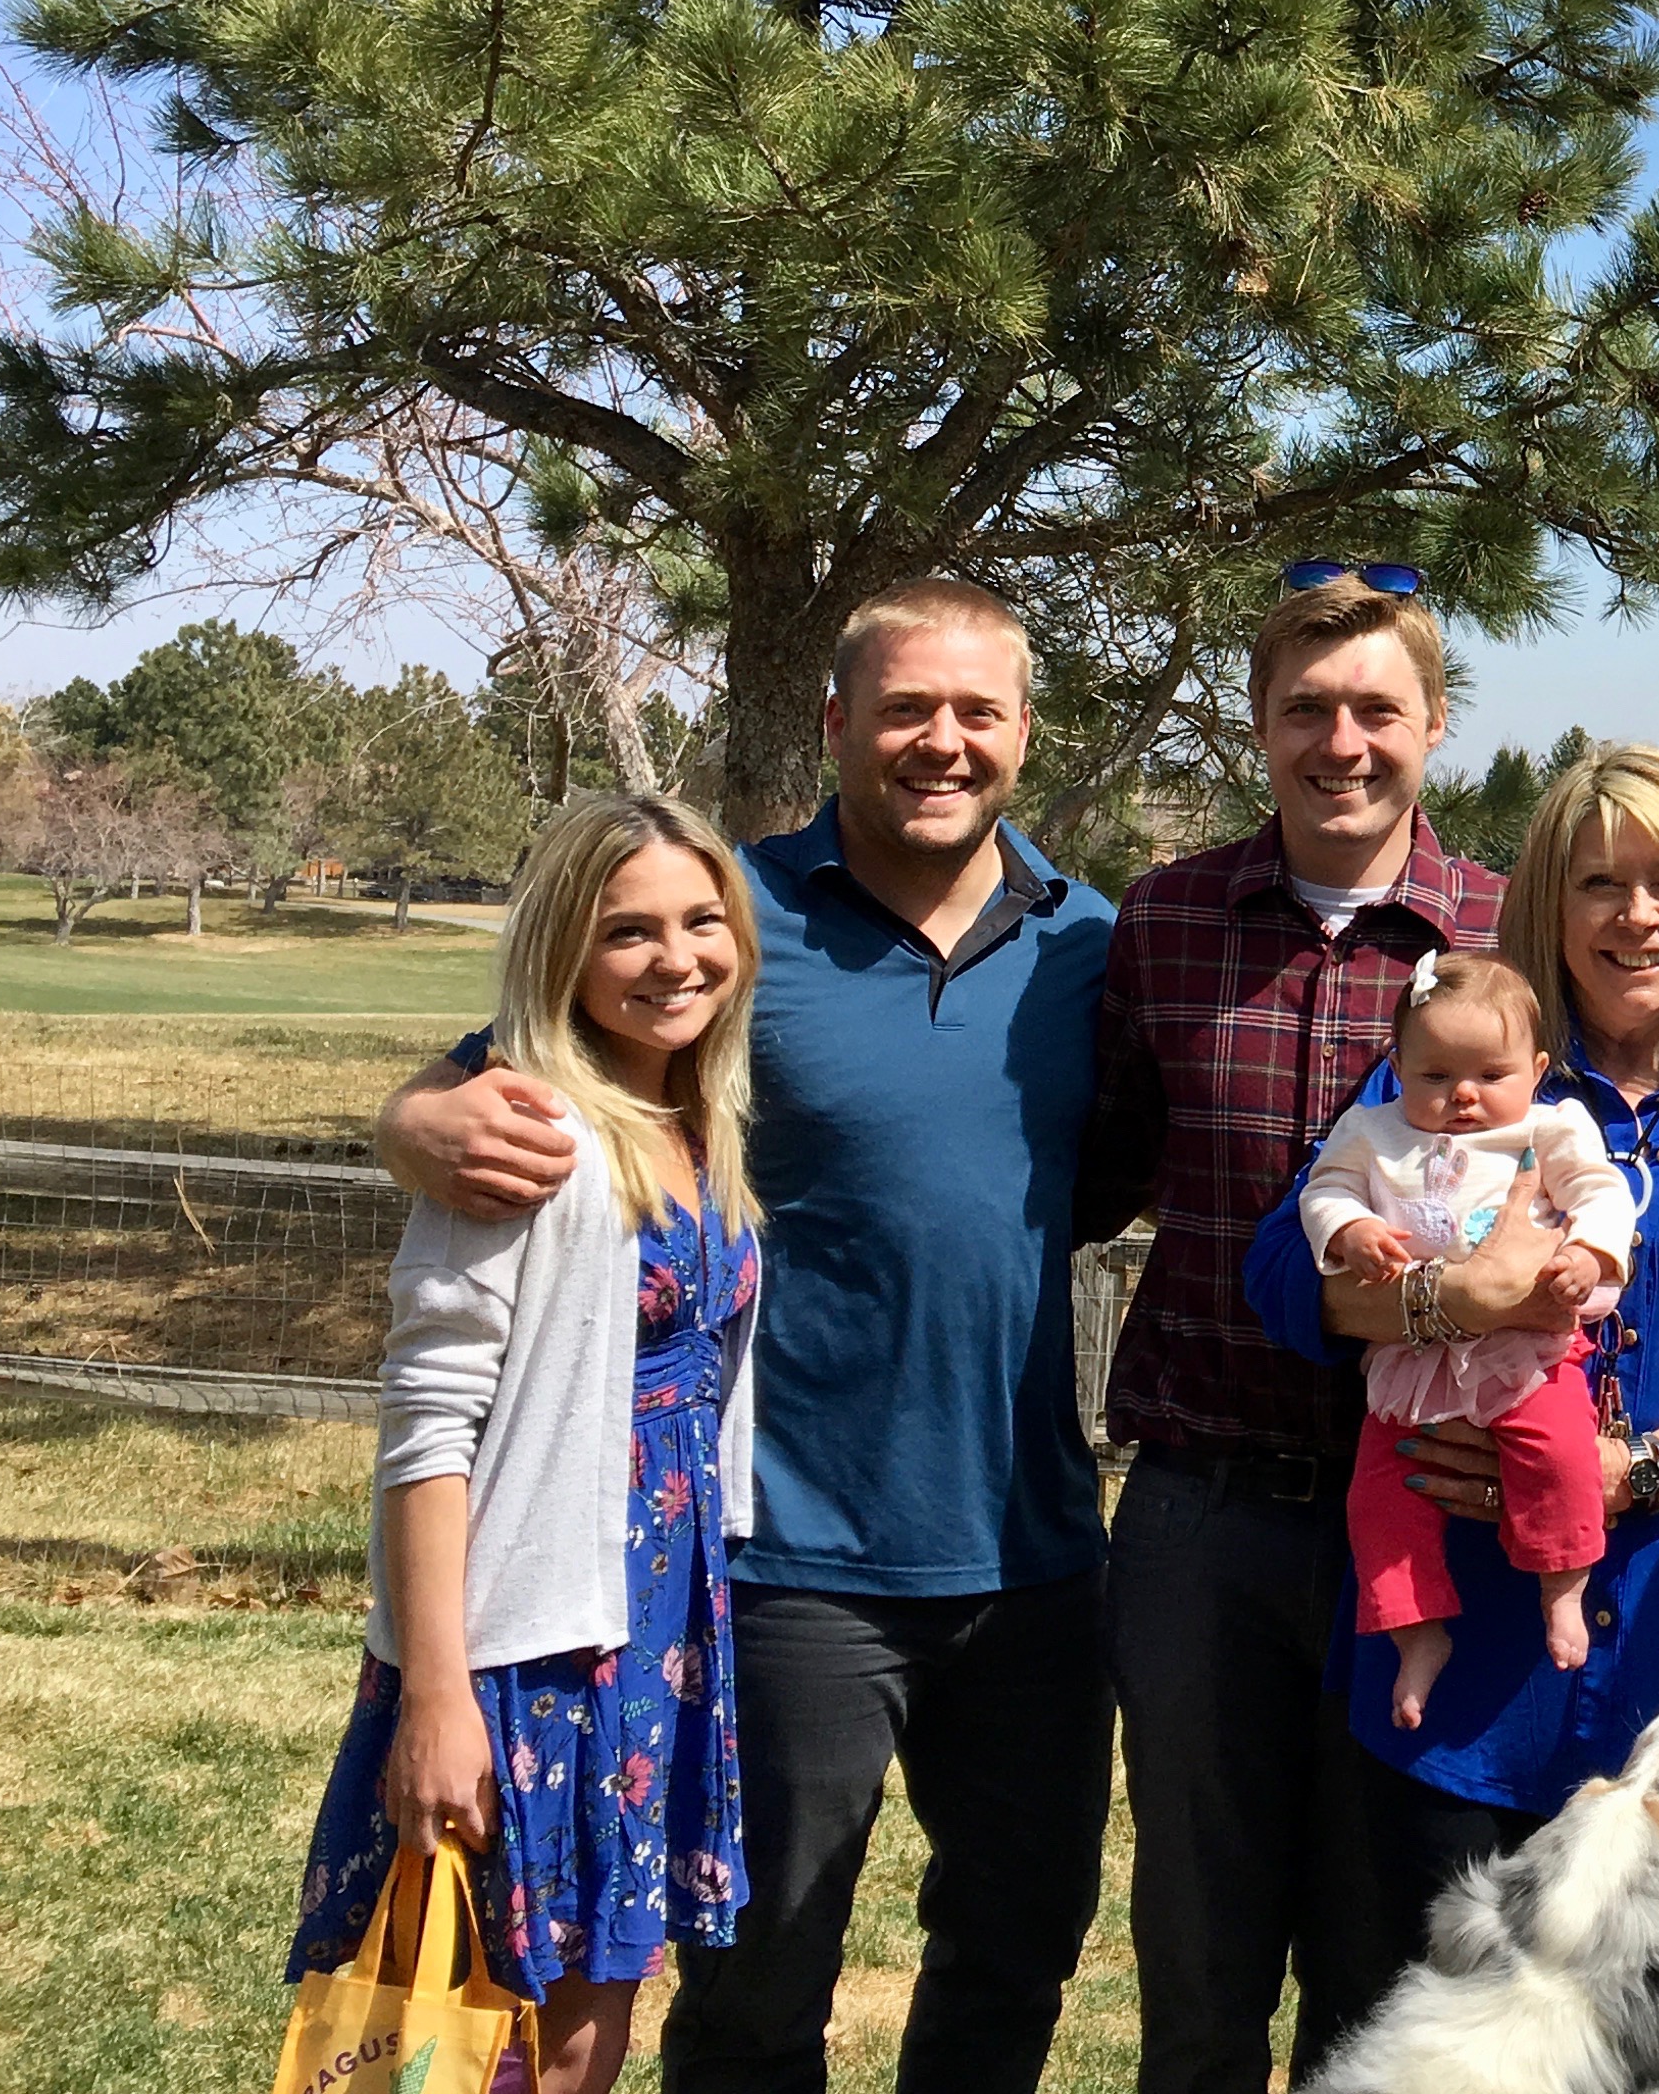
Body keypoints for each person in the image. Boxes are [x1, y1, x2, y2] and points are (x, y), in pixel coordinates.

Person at [372, 578, 1120, 2093]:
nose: (942, 740)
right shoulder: (732, 917)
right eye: (904, 708)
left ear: (1024, 733)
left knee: (1018, 1948)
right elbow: (519, 1067)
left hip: (1033, 1554)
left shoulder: (1094, 945)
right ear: (836, 721)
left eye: (977, 710)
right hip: (783, 1560)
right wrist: (409, 1118)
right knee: (757, 1973)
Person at [1245, 741, 1659, 1932]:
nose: (1639, 916)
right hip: (1459, 1669)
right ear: (1549, 904)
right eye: (1599, 884)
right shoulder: (1468, 1069)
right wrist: (1450, 1301)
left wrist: (1629, 1473)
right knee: (1450, 2019)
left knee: (1635, 2020)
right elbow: (1282, 1276)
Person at [1081, 565, 1505, 2092]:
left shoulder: (1506, 935)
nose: (1344, 741)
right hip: (1204, 1515)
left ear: (1435, 723)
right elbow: (1091, 1168)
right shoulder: (1166, 920)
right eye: (1307, 708)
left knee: (1384, 1971)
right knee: (1199, 1967)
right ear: (1258, 722)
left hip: (1433, 1518)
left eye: (1378, 708)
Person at [291, 791, 767, 2094]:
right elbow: (426, 1429)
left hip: (653, 1624)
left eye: (702, 920)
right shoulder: (520, 1133)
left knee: (590, 2019)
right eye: (627, 931)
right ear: (564, 949)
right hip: (525, 1648)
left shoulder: (696, 1121)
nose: (676, 958)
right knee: (468, 2031)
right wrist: (436, 1697)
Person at [1302, 949, 1639, 1726]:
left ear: (1537, 1069)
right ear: (1397, 1068)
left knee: (1561, 1453)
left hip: (1525, 1355)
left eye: (1491, 1074)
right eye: (1435, 1074)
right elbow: (1325, 1189)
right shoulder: (1372, 1130)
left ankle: (1563, 1584)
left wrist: (1588, 1253)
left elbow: (1602, 1193)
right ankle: (1415, 1631)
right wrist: (1349, 1229)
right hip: (1415, 1362)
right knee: (1379, 1498)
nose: (1463, 1094)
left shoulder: (1550, 1127)